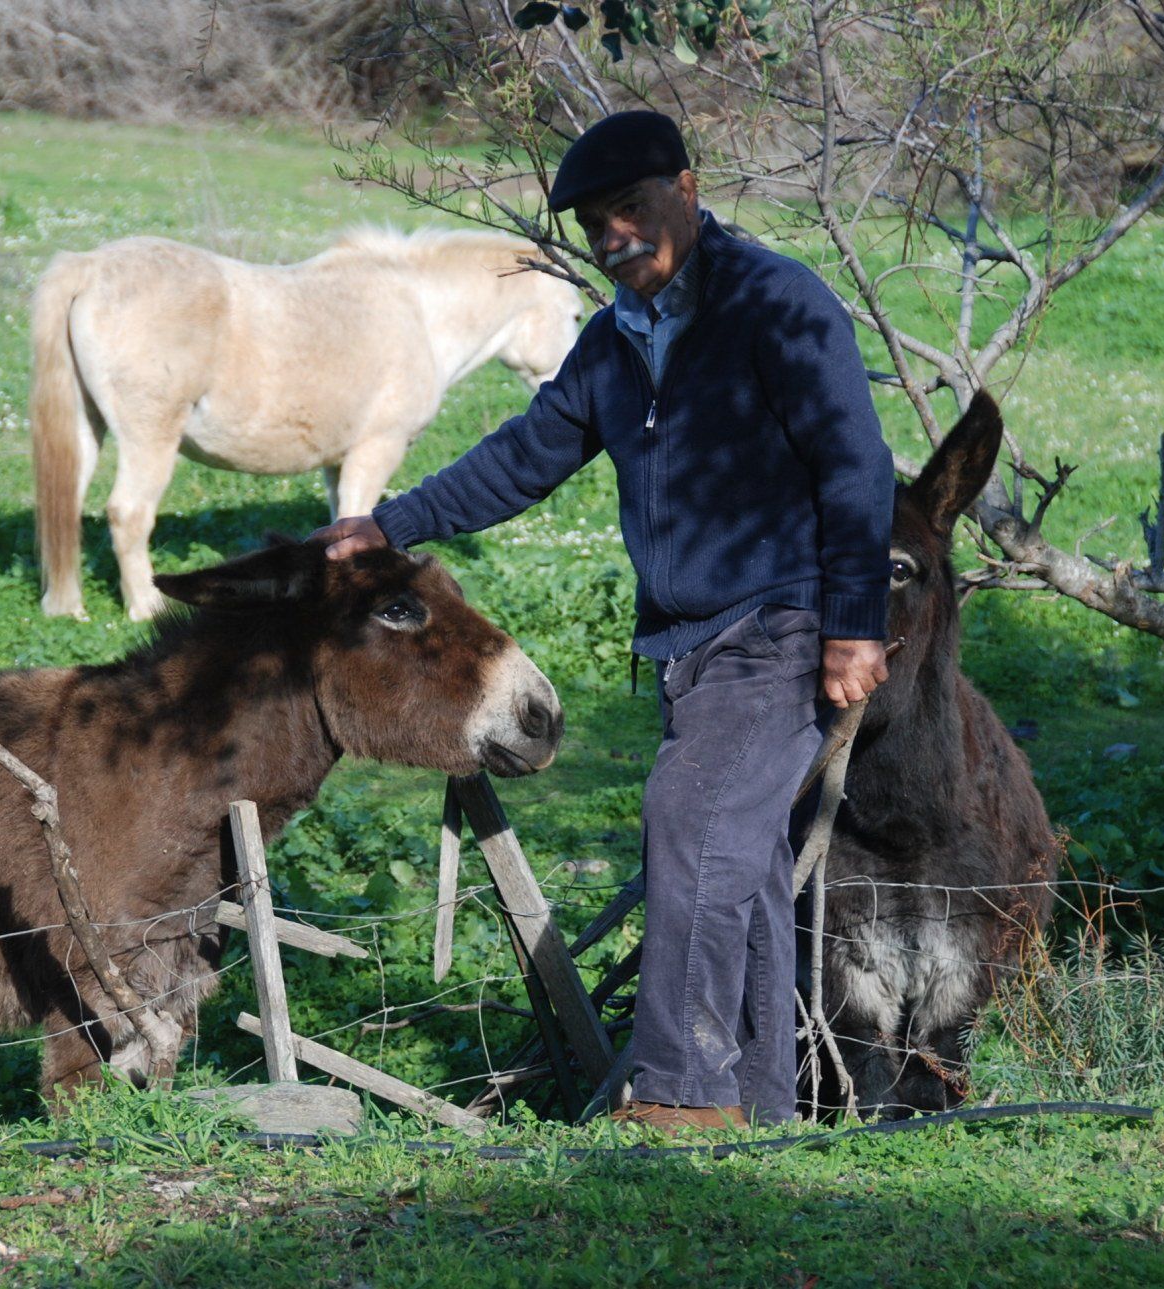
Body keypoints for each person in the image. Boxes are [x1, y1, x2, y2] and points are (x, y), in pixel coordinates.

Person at [312, 111, 894, 1131]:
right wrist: (388, 525)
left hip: (783, 624)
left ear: (688, 188)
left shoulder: (778, 305)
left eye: (631, 208)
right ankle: (760, 1108)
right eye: (594, 225)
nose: (615, 237)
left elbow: (856, 467)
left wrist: (855, 621)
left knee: (692, 816)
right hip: (688, 647)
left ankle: (679, 1095)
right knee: (742, 857)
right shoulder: (615, 342)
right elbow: (525, 455)